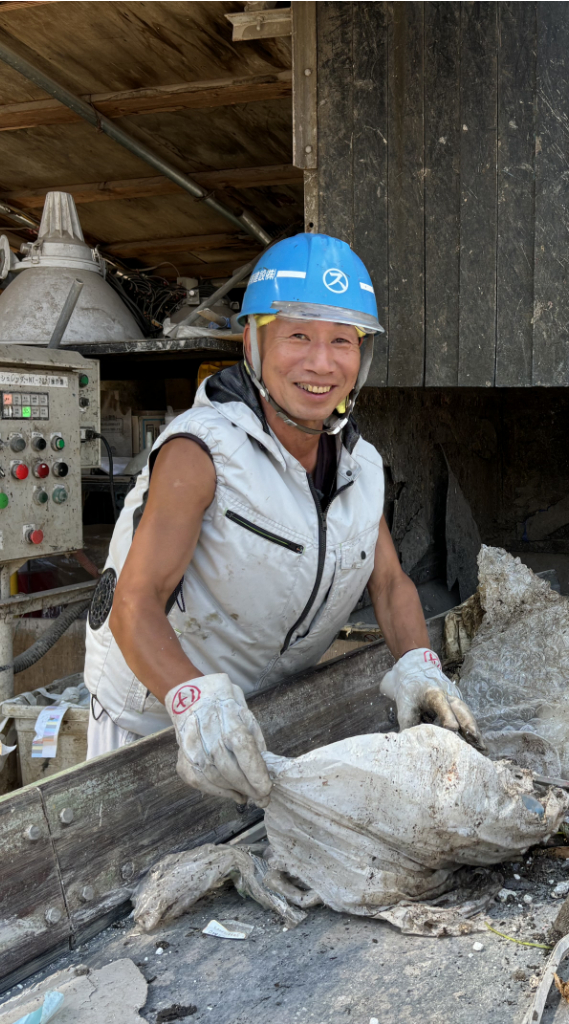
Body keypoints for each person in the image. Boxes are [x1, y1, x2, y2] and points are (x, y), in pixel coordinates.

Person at [83, 233, 480, 806]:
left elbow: (390, 582)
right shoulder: (202, 452)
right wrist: (195, 701)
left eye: (342, 340)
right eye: (298, 335)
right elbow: (134, 601)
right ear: (254, 342)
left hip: (260, 714)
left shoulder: (360, 466)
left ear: (361, 356)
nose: (321, 363)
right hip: (154, 725)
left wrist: (420, 667)